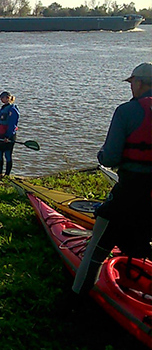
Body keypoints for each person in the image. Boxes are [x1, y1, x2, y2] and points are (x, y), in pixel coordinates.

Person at [72, 63, 152, 295]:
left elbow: (110, 157)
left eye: (132, 83)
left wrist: (101, 155)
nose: (131, 88)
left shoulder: (126, 111)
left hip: (129, 191)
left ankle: (76, 298)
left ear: (139, 83)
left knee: (97, 248)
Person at [0, 91, 20, 178]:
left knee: (7, 155)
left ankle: (7, 175)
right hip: (1, 134)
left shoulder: (12, 109)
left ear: (8, 98)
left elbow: (12, 124)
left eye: (2, 98)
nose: (1, 99)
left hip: (9, 135)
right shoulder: (3, 107)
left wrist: (8, 136)